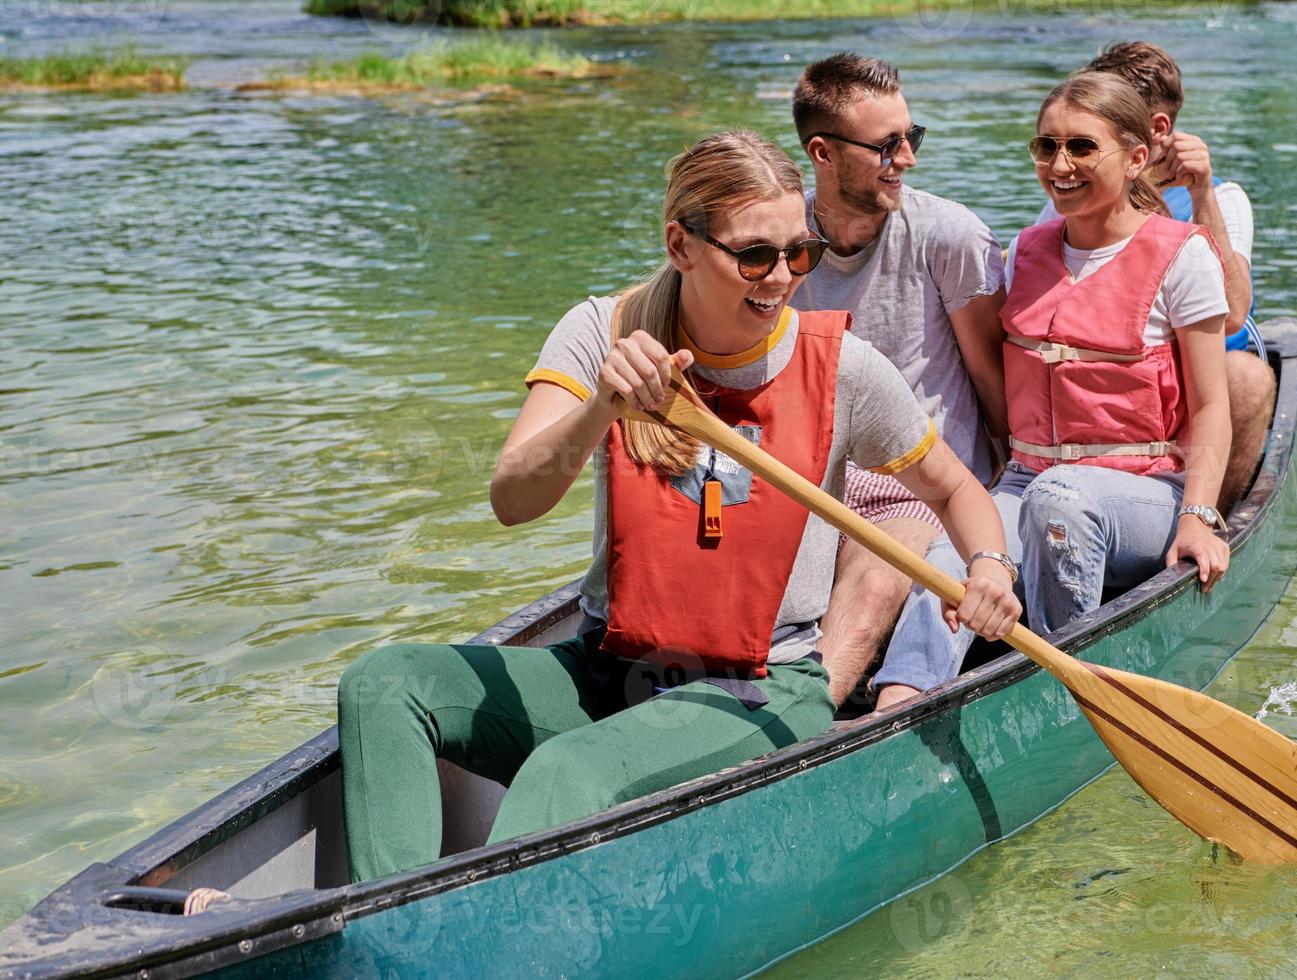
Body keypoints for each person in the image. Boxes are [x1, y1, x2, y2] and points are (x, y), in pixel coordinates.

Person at [328, 131, 1020, 883]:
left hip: (762, 689)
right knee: (385, 682)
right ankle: (383, 926)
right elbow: (511, 500)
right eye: (754, 255)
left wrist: (990, 566)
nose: (781, 277)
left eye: (800, 253)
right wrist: (602, 408)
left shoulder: (845, 368)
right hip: (609, 671)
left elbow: (956, 489)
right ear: (679, 244)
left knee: (567, 774)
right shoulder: (603, 330)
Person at [875, 73, 1232, 705]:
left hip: (1145, 493)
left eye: (1081, 148)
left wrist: (1198, 516)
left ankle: (1056, 695)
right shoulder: (1025, 251)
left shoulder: (1184, 256)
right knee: (951, 563)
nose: (1059, 165)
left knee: (1060, 500)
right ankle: (894, 708)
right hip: (1025, 479)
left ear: (1137, 156)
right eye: (1046, 147)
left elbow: (1209, 408)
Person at [788, 53, 1009, 711]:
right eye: (887, 145)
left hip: (922, 481)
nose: (907, 158)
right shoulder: (774, 243)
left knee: (882, 569)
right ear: (822, 153)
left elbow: (989, 375)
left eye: (913, 137)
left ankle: (801, 725)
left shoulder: (950, 235)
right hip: (813, 478)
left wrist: (1002, 500)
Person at [1038, 42, 1276, 514]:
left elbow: (1232, 316)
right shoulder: (1073, 193)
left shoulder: (1223, 199)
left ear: (1157, 129)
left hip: (1196, 379)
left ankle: (1206, 519)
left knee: (1246, 378)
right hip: (1118, 373)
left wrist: (1201, 192)